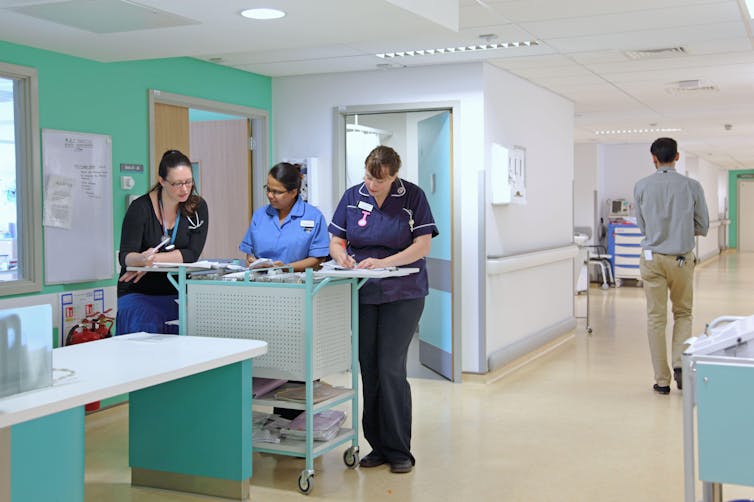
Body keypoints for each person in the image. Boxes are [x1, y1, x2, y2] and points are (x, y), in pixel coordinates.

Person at [329, 145, 438, 474]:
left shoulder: (412, 197)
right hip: (363, 291)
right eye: (367, 177)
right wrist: (342, 257)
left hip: (403, 292)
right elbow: (336, 239)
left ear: (394, 176)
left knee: (391, 367)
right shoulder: (351, 196)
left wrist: (383, 263)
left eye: (380, 180)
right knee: (370, 369)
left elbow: (422, 245)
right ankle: (376, 445)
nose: (372, 185)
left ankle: (399, 449)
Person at [633, 137, 709, 395]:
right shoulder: (692, 186)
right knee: (683, 313)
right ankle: (680, 365)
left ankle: (661, 380)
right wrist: (682, 232)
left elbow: (642, 225)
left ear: (653, 158)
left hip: (652, 258)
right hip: (680, 258)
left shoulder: (641, 186)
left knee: (655, 319)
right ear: (677, 157)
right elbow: (703, 225)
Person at [116, 149, 209, 336]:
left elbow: (191, 254)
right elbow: (125, 257)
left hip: (177, 291)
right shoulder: (140, 208)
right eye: (177, 184)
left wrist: (153, 261)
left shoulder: (197, 207)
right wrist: (142, 260)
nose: (184, 189)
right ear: (162, 181)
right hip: (140, 293)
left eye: (188, 182)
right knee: (147, 327)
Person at [239, 162, 329, 272]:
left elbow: (318, 258)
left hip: (299, 282)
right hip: (261, 281)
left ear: (293, 192)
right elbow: (249, 252)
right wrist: (251, 261)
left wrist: (286, 268)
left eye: (277, 192)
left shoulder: (314, 217)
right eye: (268, 189)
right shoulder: (260, 216)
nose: (270, 195)